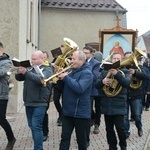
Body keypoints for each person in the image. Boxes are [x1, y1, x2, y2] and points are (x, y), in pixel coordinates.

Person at [15, 50, 53, 150]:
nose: (32, 61)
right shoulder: (30, 68)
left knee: (36, 126)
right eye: (32, 59)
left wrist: (26, 72)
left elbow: (41, 80)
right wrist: (19, 71)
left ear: (42, 59)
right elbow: (19, 78)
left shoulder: (47, 69)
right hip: (28, 102)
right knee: (31, 125)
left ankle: (38, 148)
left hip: (40, 102)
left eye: (35, 59)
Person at [59, 50, 93, 150]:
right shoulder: (70, 71)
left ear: (81, 60)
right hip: (67, 112)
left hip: (81, 113)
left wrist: (66, 77)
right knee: (64, 139)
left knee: (81, 141)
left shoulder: (87, 73)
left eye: (74, 59)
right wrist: (59, 76)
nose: (71, 61)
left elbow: (79, 88)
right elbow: (61, 87)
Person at [95, 52, 130, 150]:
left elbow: (126, 83)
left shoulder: (125, 71)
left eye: (118, 58)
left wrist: (116, 74)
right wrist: (102, 82)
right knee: (109, 129)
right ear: (111, 60)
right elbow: (96, 84)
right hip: (107, 104)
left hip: (119, 104)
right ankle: (112, 146)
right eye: (114, 58)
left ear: (121, 60)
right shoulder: (105, 71)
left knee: (120, 128)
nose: (115, 60)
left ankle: (123, 145)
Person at [124, 56, 150, 139]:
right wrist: (127, 76)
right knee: (124, 116)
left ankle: (139, 127)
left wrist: (135, 72)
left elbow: (146, 76)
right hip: (125, 95)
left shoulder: (143, 68)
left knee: (137, 115)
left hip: (137, 95)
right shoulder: (123, 68)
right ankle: (126, 132)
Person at [0, 42, 16, 150]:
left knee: (1, 119)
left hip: (1, 95)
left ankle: (11, 138)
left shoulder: (6, 62)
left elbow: (1, 73)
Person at [83, 46, 101, 135]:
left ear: (91, 54)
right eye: (83, 53)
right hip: (86, 89)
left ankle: (97, 124)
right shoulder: (81, 61)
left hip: (95, 88)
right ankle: (92, 120)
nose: (84, 55)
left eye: (86, 53)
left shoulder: (96, 63)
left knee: (98, 108)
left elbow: (94, 77)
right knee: (88, 108)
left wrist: (85, 68)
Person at [42, 51, 53, 141]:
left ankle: (45, 132)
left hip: (46, 92)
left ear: (47, 58)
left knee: (44, 113)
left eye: (44, 57)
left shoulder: (49, 67)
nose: (43, 59)